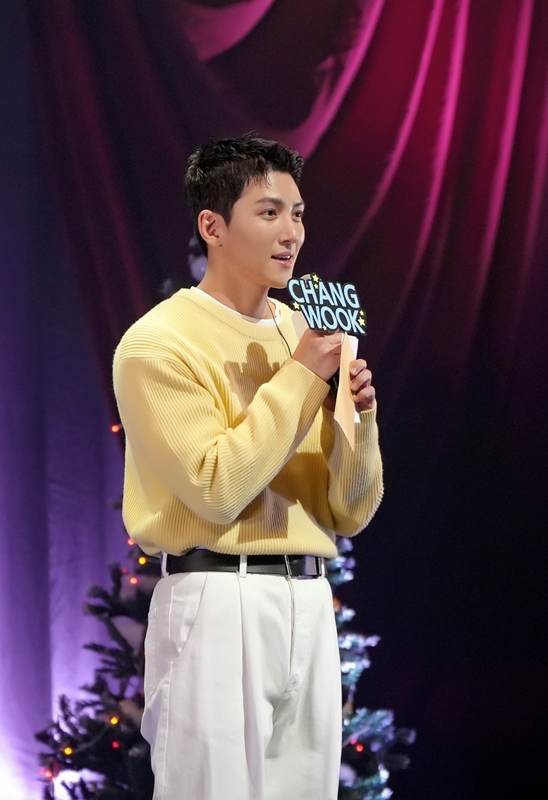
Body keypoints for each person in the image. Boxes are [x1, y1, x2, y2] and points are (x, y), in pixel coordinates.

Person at [112, 134, 383, 800]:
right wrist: (300, 377)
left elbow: (350, 511)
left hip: (310, 600)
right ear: (213, 227)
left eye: (298, 214)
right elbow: (217, 487)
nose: (292, 233)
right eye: (269, 212)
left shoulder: (306, 333)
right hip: (216, 598)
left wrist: (359, 419)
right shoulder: (158, 344)